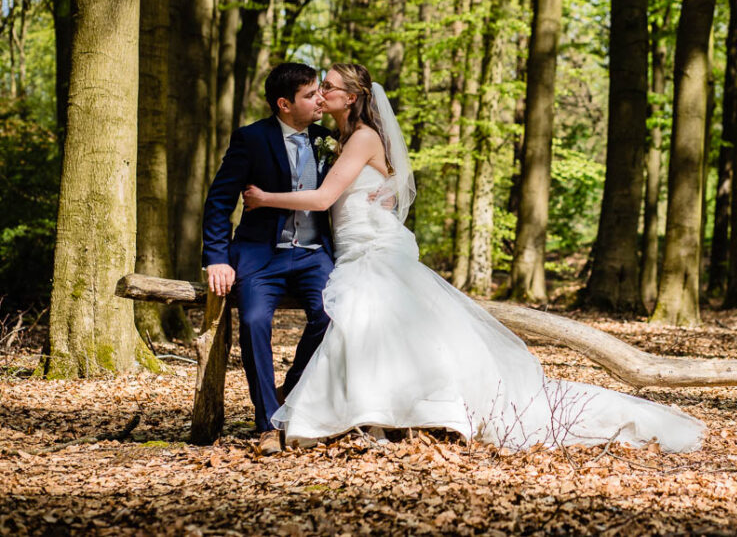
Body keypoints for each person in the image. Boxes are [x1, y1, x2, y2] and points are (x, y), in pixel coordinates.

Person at [242, 63, 705, 453]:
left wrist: (264, 198)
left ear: (354, 95)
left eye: (329, 86)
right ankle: (377, 410)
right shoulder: (336, 138)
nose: (321, 93)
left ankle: (382, 411)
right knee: (371, 323)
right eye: (318, 87)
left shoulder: (362, 136)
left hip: (369, 247)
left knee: (363, 316)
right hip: (352, 243)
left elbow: (324, 199)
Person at [201, 62, 336, 456]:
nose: (321, 100)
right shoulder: (251, 139)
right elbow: (219, 201)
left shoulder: (328, 141)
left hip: (314, 256)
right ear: (284, 103)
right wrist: (217, 258)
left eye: (320, 92)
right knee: (254, 320)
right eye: (311, 95)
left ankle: (289, 391)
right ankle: (267, 423)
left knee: (332, 314)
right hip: (261, 256)